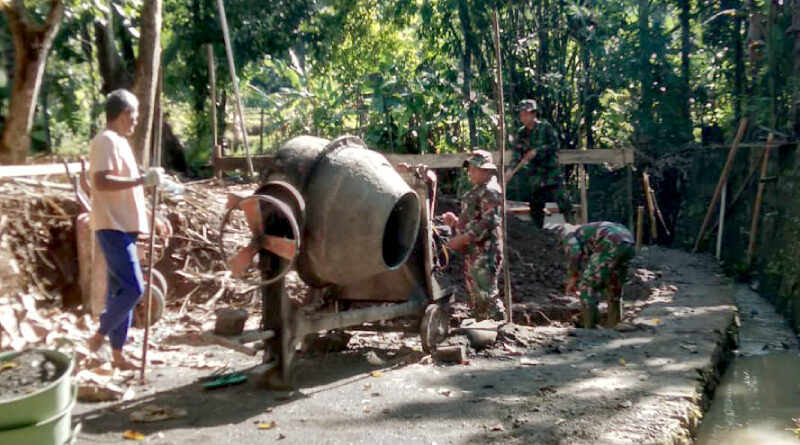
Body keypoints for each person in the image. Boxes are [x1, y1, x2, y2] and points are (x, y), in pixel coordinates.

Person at [86, 89, 166, 370]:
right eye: (134, 115)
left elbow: (130, 190)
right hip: (112, 227)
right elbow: (102, 181)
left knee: (120, 291)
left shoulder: (120, 143)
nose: (136, 121)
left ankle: (118, 355)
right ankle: (98, 336)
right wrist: (142, 179)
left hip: (125, 226)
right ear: (123, 114)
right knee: (134, 288)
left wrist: (151, 217)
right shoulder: (105, 141)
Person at [442, 149, 504, 321]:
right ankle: (482, 325)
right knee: (475, 292)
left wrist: (463, 238)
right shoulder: (478, 191)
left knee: (486, 293)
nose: (470, 173)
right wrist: (455, 222)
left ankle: (498, 325)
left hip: (486, 251)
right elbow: (473, 218)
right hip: (474, 251)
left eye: (474, 170)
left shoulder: (491, 192)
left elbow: (488, 221)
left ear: (487, 171)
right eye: (469, 169)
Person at [555, 221, 635, 329]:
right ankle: (615, 322)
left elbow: (575, 254)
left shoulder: (569, 235)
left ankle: (589, 325)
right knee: (614, 283)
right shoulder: (587, 231)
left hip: (609, 243)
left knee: (587, 285)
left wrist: (573, 277)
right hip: (628, 243)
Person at [506, 99, 568, 227]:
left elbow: (555, 145)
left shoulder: (546, 128)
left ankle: (568, 231)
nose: (523, 117)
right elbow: (517, 154)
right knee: (536, 211)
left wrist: (537, 151)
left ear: (534, 114)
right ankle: (541, 238)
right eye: (521, 114)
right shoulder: (521, 133)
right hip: (534, 179)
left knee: (563, 205)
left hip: (551, 176)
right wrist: (510, 170)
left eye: (526, 114)